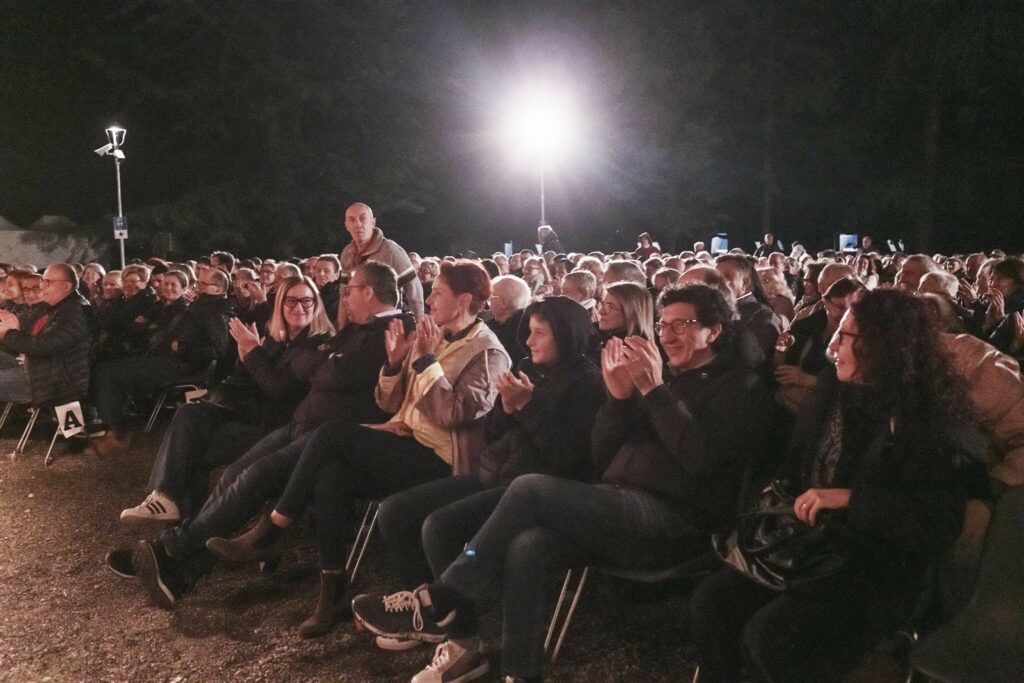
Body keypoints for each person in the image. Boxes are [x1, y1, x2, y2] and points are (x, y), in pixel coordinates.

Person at [350, 283, 774, 683]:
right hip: (618, 503)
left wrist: (653, 389)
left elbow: (702, 460)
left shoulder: (741, 387)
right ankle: (522, 671)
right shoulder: (662, 377)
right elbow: (604, 454)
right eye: (662, 324)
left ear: (713, 331)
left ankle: (442, 597)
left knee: (531, 488)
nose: (666, 335)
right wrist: (619, 401)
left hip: (676, 520)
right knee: (529, 544)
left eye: (680, 325)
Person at [202, 260, 510, 639]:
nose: (428, 297)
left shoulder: (488, 352)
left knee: (331, 435)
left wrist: (427, 361)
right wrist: (396, 363)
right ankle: (332, 589)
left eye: (438, 293)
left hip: (443, 459)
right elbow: (386, 401)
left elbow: (453, 413)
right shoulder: (436, 334)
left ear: (463, 300)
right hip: (405, 440)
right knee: (331, 474)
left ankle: (276, 524)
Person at [689, 289, 977, 683]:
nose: (832, 346)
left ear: (883, 345)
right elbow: (797, 466)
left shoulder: (925, 422)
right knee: (714, 599)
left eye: (845, 337)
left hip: (875, 565)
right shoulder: (835, 391)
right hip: (810, 546)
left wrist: (852, 499)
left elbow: (937, 523)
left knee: (773, 636)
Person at [121, 261, 408, 599]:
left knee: (250, 479)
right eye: (290, 302)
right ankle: (179, 572)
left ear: (368, 292)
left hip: (320, 435)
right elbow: (316, 367)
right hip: (297, 424)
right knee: (230, 474)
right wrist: (312, 361)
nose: (344, 297)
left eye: (350, 289)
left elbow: (329, 376)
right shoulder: (354, 329)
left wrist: (280, 357)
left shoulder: (389, 332)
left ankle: (171, 549)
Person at [371, 296, 604, 657]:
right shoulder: (529, 367)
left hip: (531, 493)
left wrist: (527, 408)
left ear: (567, 336)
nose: (528, 341)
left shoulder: (587, 385)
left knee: (440, 526)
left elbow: (569, 461)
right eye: (529, 332)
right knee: (395, 511)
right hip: (493, 475)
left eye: (539, 333)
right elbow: (492, 434)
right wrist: (509, 410)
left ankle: (461, 638)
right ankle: (428, 619)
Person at [118, 275, 334, 525]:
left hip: (279, 427)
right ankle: (166, 500)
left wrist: (252, 352)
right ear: (280, 306)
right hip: (252, 412)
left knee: (192, 451)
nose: (299, 307)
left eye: (307, 301)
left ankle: (184, 531)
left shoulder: (318, 343)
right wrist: (246, 356)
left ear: (317, 305)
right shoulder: (277, 338)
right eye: (291, 301)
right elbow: (250, 380)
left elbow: (279, 389)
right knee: (189, 413)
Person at [91, 267, 233, 454]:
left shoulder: (215, 312)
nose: (197, 286)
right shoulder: (203, 305)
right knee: (108, 367)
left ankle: (117, 435)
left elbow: (220, 349)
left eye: (202, 283)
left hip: (180, 366)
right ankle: (114, 426)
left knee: (107, 373)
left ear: (218, 289)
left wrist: (183, 348)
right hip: (170, 360)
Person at [0, 263, 94, 406]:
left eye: (48, 282)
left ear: (67, 286)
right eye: (43, 281)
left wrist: (8, 333)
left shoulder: (74, 311)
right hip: (38, 370)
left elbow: (44, 346)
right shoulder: (57, 308)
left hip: (52, 380)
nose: (42, 286)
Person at [339, 202, 424, 318]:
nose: (358, 224)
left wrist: (417, 327)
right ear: (346, 225)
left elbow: (414, 292)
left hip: (388, 325)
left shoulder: (391, 251)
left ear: (373, 222)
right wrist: (342, 328)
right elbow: (344, 294)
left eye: (363, 218)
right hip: (358, 326)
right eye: (352, 220)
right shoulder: (346, 254)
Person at [715, 254, 782, 358]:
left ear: (745, 282)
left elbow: (759, 360)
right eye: (716, 278)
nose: (719, 283)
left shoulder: (762, 316)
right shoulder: (714, 310)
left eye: (727, 276)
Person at [486, 276, 531, 362]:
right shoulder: (530, 324)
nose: (488, 305)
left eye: (490, 299)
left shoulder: (518, 333)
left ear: (504, 302)